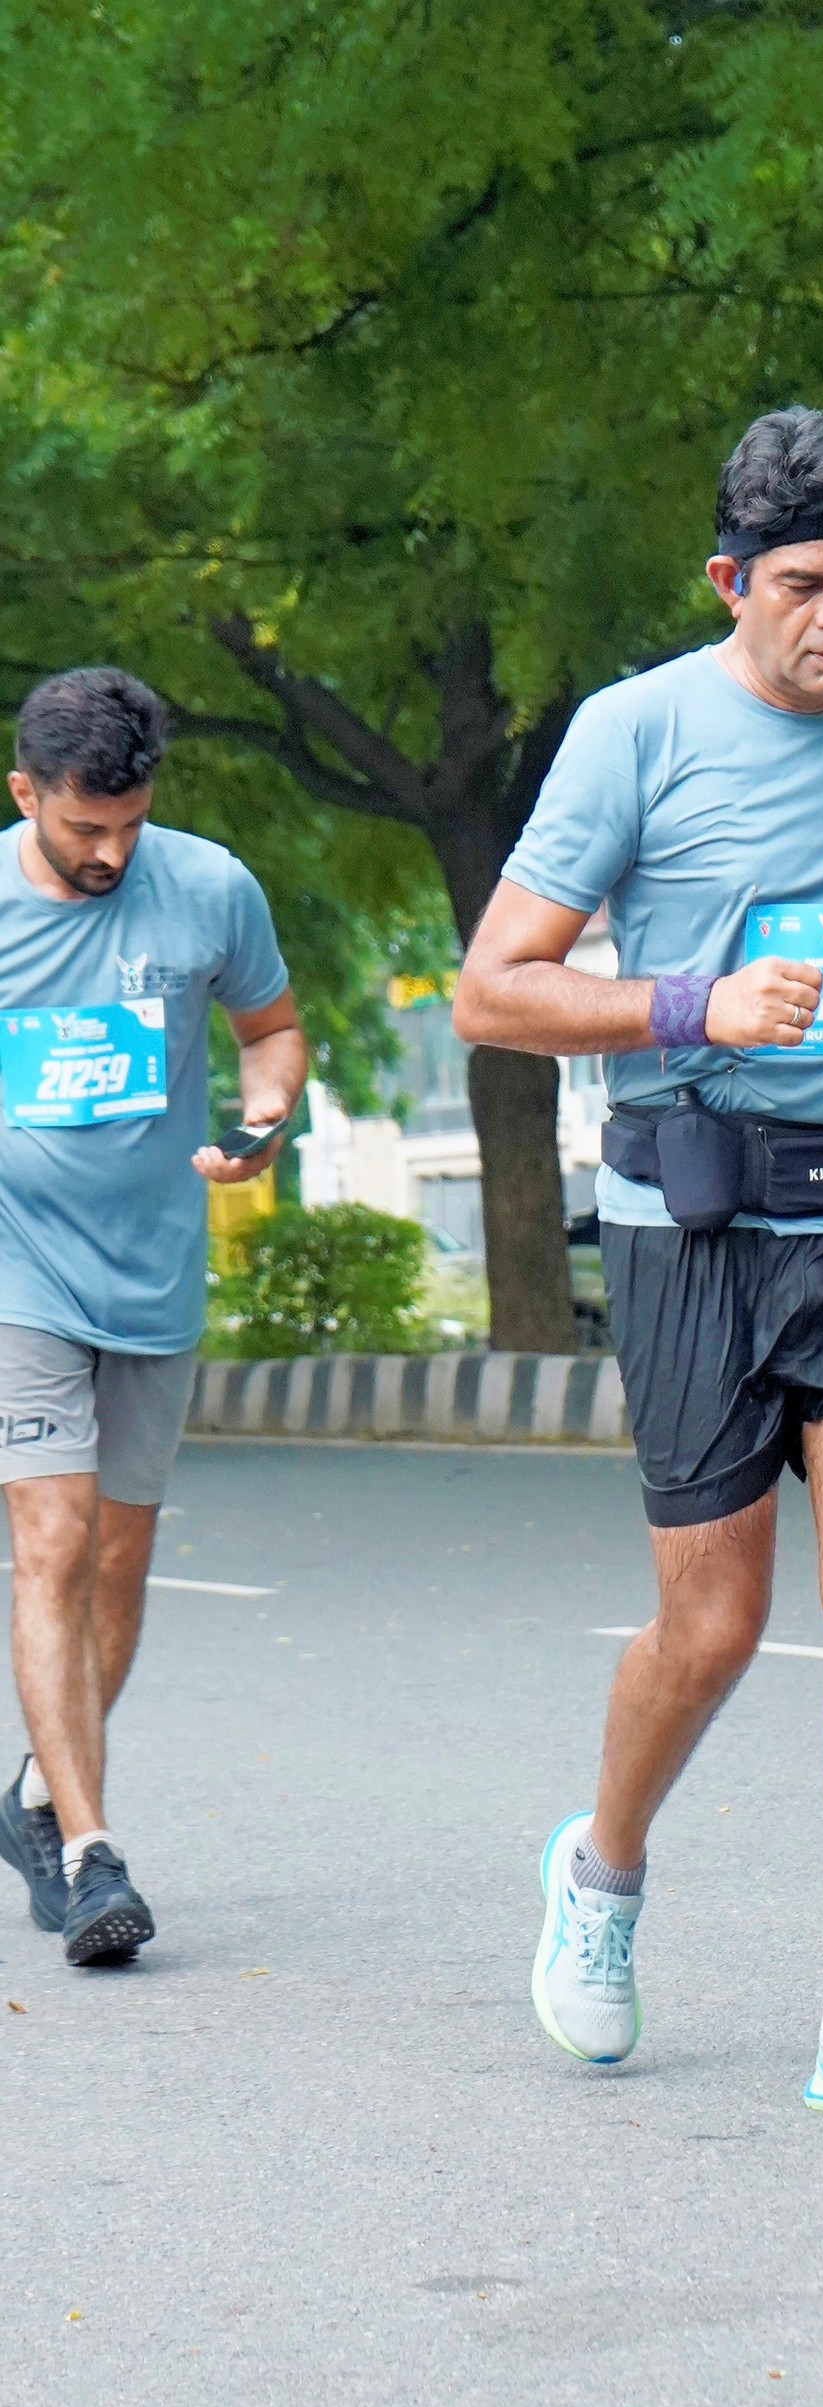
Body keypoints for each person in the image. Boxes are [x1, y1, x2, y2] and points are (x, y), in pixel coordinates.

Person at [454, 406, 823, 2123]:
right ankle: (603, 1865)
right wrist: (695, 1002)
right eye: (803, 585)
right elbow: (495, 988)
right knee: (712, 1621)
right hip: (692, 1221)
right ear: (730, 580)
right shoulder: (634, 733)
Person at [0, 668, 305, 1965]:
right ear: (26, 794)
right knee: (53, 1540)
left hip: (154, 1271)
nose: (113, 851)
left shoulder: (212, 887)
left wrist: (263, 1116)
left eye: (131, 822)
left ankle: (36, 1794)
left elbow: (273, 1031)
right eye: (86, 827)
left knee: (119, 1562)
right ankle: (91, 1850)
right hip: (17, 1267)